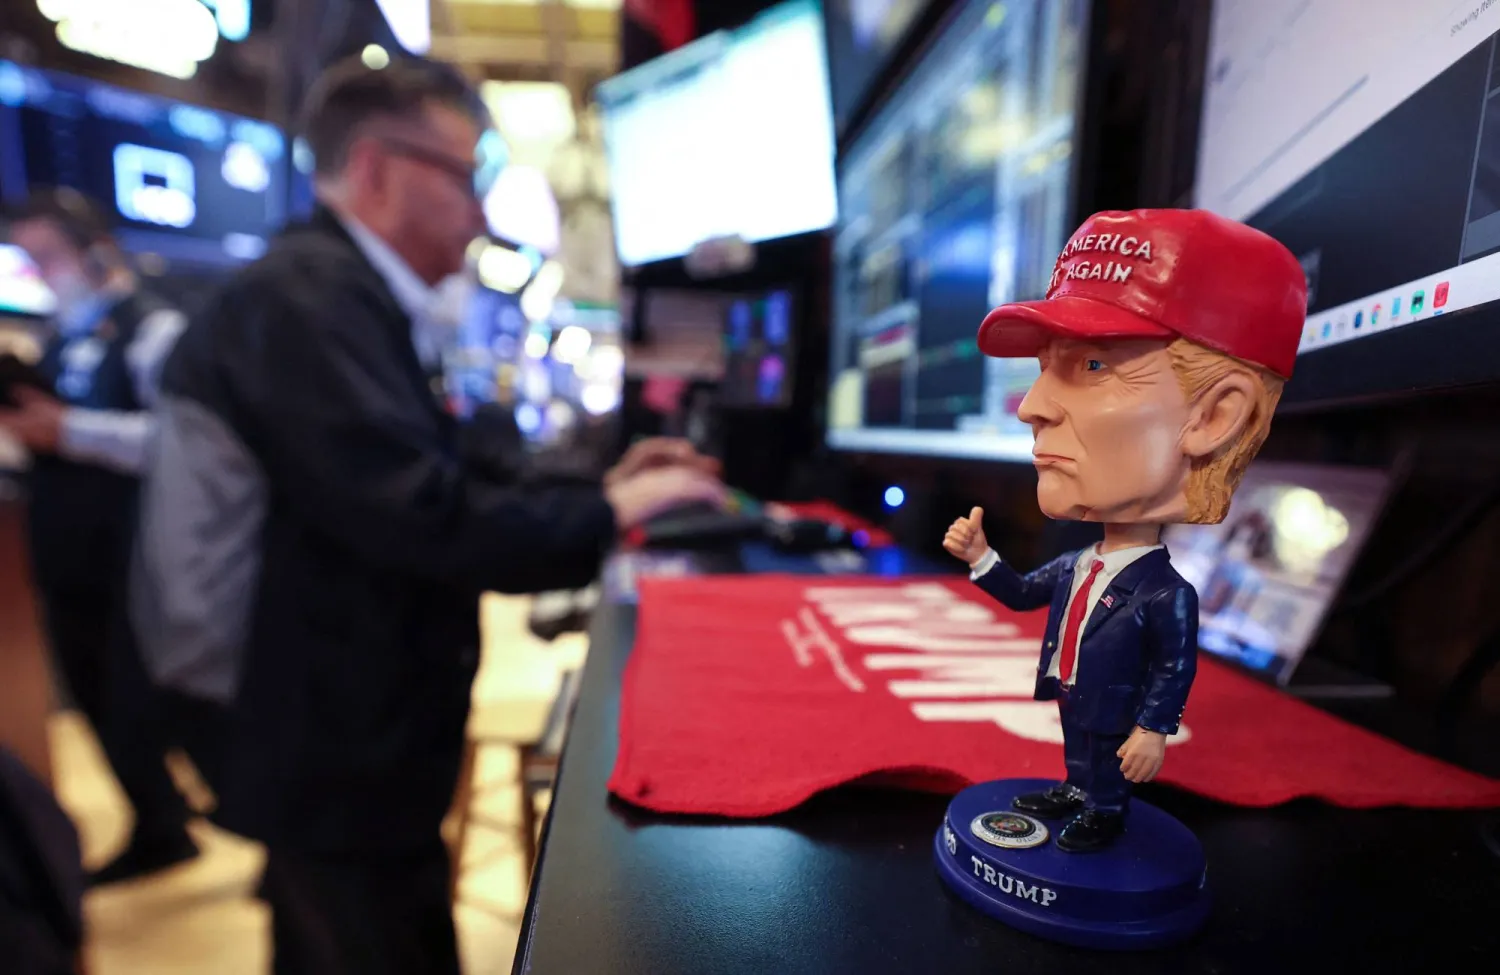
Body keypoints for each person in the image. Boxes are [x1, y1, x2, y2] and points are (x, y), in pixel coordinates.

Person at [131, 57, 724, 975]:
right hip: (321, 741)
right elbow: (422, 516)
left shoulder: (339, 295)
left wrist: (603, 480)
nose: (481, 211)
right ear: (376, 169)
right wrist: (611, 508)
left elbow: (444, 463)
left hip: (334, 731)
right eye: (465, 174)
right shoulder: (306, 300)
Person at [943, 208, 1305, 852]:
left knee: (1104, 755)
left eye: (1091, 367)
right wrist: (982, 560)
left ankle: (1104, 807)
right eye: (1044, 367)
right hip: (1077, 694)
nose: (1030, 406)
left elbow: (1173, 666)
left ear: (1215, 415)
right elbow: (1027, 593)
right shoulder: (1080, 564)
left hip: (1115, 706)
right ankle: (1079, 790)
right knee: (1078, 750)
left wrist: (1154, 729)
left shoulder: (1166, 593)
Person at [0, 189, 197, 885]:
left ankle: (167, 825)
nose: (39, 270)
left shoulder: (151, 326)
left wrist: (71, 430)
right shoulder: (57, 336)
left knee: (133, 695)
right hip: (67, 549)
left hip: (133, 550)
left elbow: (180, 439)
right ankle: (158, 812)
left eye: (46, 254)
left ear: (92, 248)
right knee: (93, 694)